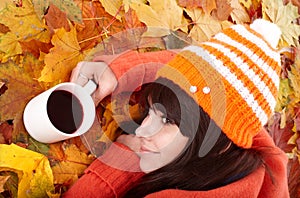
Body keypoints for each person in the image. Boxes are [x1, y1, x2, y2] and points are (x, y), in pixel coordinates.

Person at [63, 19, 289, 197]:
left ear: (220, 144)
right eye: (151, 112)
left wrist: (121, 166)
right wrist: (123, 71)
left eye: (167, 121)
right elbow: (209, 87)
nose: (141, 131)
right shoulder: (244, 145)